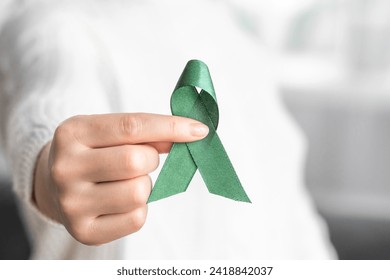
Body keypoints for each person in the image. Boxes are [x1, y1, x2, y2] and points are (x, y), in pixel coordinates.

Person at [0, 0, 336, 259]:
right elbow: (49, 94)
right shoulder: (51, 23)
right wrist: (47, 174)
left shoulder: (232, 34)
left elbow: (293, 214)